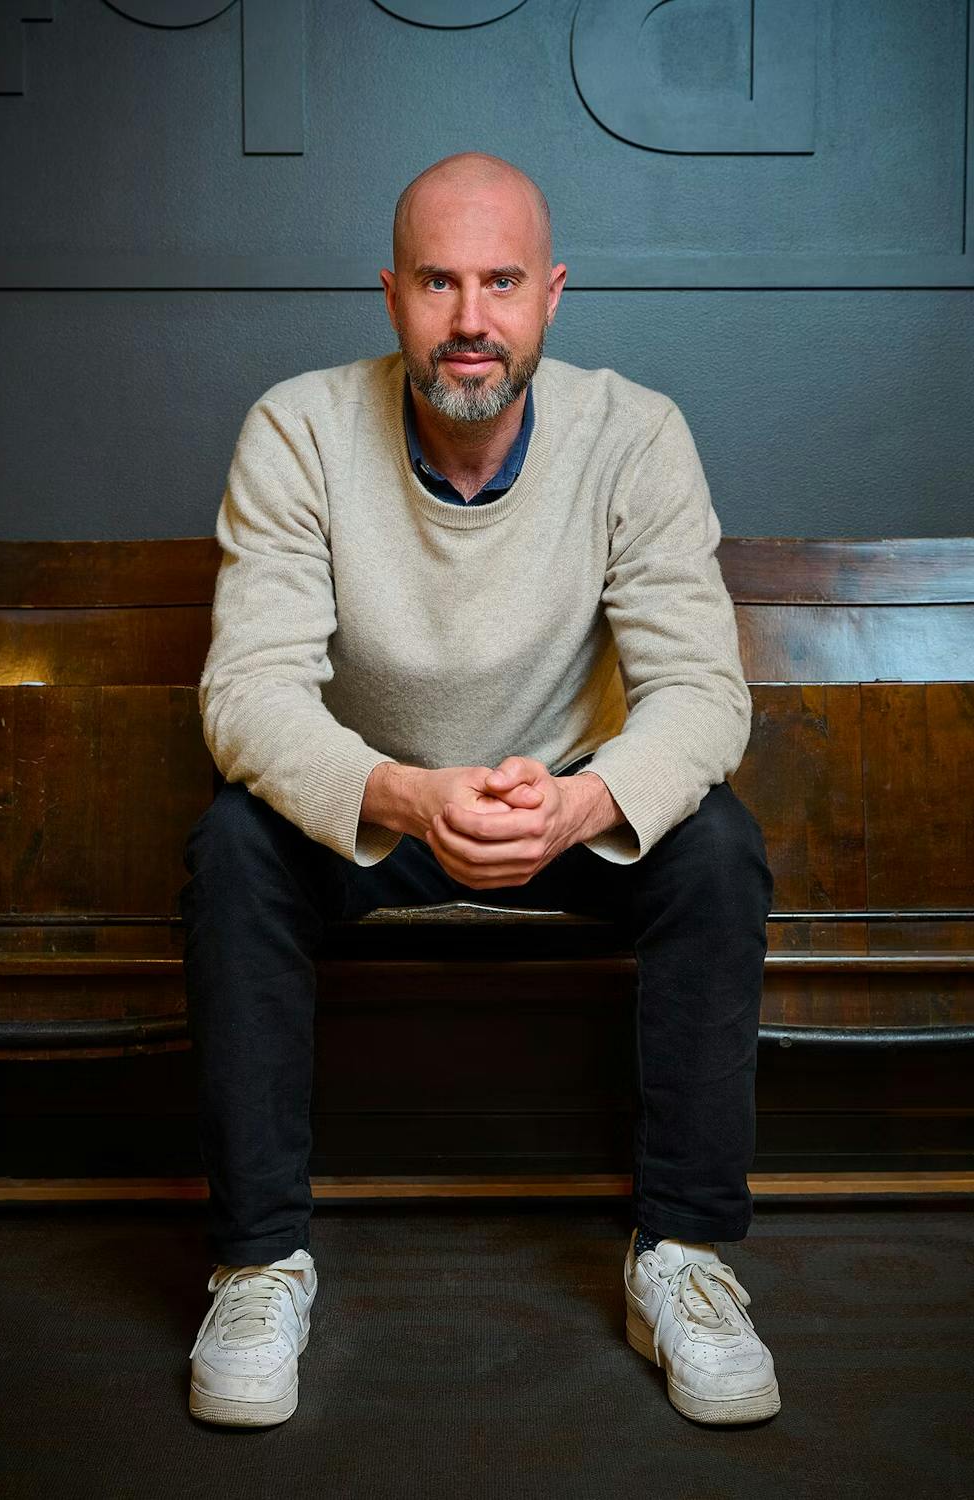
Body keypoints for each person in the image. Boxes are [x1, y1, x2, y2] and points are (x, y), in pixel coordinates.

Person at [180, 151, 779, 1430]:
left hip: (563, 812)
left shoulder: (636, 433)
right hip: (376, 806)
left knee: (717, 849)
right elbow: (249, 694)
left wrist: (582, 803)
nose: (470, 320)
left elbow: (702, 695)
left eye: (501, 282)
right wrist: (399, 793)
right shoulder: (297, 427)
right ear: (389, 294)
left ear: (551, 295)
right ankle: (257, 1259)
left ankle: (683, 1256)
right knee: (233, 849)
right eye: (439, 283)